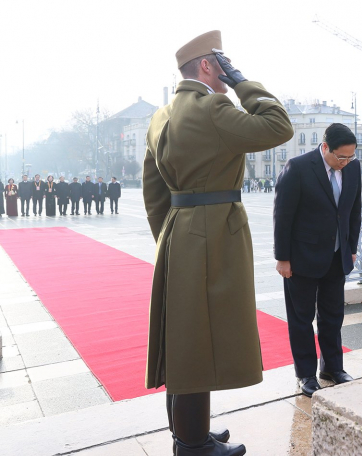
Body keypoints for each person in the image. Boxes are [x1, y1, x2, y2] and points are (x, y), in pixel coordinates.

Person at [143, 30, 293, 456]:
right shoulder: (213, 106)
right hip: (212, 233)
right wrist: (244, 81)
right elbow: (278, 126)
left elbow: (153, 189)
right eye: (222, 64)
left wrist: (169, 239)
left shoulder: (162, 115)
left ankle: (190, 431)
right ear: (208, 66)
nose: (226, 74)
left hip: (179, 232)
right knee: (197, 342)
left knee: (189, 336)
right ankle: (192, 444)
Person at [274, 123, 362, 398]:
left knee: (333, 316)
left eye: (350, 158)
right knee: (301, 319)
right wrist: (283, 258)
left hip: (337, 255)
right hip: (302, 257)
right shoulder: (298, 167)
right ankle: (306, 375)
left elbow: (353, 210)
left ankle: (332, 368)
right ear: (325, 148)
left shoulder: (352, 168)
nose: (345, 163)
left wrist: (351, 247)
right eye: (341, 157)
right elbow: (283, 215)